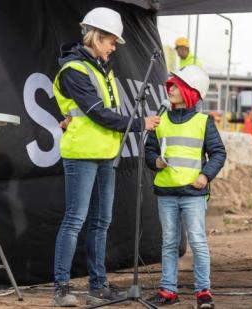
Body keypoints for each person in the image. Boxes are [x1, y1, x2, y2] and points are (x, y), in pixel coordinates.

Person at [52, 7, 160, 307]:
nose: (114, 47)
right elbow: (97, 112)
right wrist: (140, 124)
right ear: (96, 36)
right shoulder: (74, 70)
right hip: (83, 154)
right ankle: (61, 289)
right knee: (75, 220)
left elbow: (98, 112)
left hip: (105, 154)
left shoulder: (100, 68)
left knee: (102, 222)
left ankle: (97, 287)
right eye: (111, 41)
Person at [144, 65, 226, 309]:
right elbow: (149, 151)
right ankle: (168, 290)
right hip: (166, 192)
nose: (171, 88)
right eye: (171, 84)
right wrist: (155, 161)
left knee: (198, 242)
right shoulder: (160, 120)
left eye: (177, 85)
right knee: (169, 242)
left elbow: (219, 153)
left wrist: (205, 175)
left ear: (191, 92)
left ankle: (203, 292)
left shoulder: (203, 121)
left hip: (193, 193)